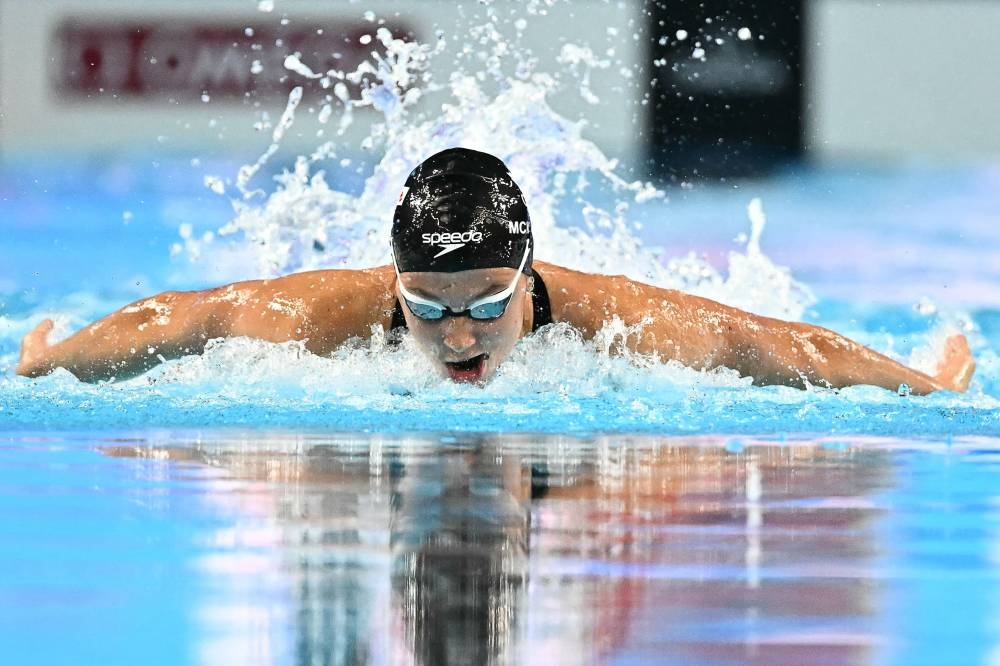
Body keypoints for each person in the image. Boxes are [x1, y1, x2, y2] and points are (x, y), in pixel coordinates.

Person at [15, 147, 975, 394]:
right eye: (428, 309)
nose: (460, 335)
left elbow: (773, 343)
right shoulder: (322, 319)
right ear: (395, 287)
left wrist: (928, 386)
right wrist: (47, 363)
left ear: (526, 275)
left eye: (485, 305)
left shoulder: (616, 324)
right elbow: (180, 319)